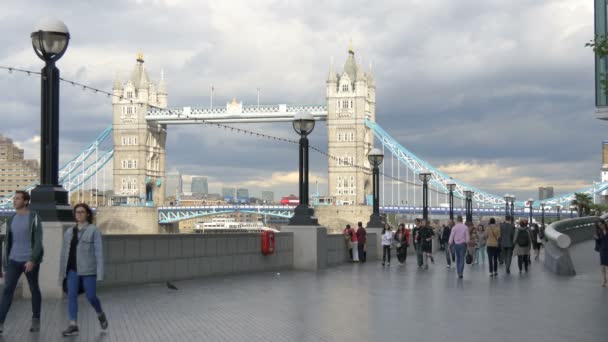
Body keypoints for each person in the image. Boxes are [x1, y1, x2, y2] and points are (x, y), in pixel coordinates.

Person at [59, 203, 108, 336]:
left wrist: (100, 273)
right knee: (71, 296)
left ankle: (100, 313)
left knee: (91, 296)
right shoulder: (69, 232)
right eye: (77, 212)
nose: (79, 214)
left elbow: (99, 253)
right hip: (72, 270)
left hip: (88, 270)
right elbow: (64, 253)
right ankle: (73, 324)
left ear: (87, 214)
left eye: (82, 212)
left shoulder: (94, 230)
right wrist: (62, 273)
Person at [0, 190, 43, 334]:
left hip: (29, 261)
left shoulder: (34, 217)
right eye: (14, 198)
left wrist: (33, 259)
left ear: (25, 201)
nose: (14, 201)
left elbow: (38, 240)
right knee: (7, 290)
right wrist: (5, 265)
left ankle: (36, 320)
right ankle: (1, 323)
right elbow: (7, 243)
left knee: (34, 289)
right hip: (13, 260)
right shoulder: (11, 219)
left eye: (18, 198)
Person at [593, 220, 608, 287]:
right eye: (599, 225)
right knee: (603, 265)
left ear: (604, 224)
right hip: (603, 250)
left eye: (601, 224)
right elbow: (599, 243)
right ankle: (604, 280)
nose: (601, 226)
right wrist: (596, 239)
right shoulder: (599, 232)